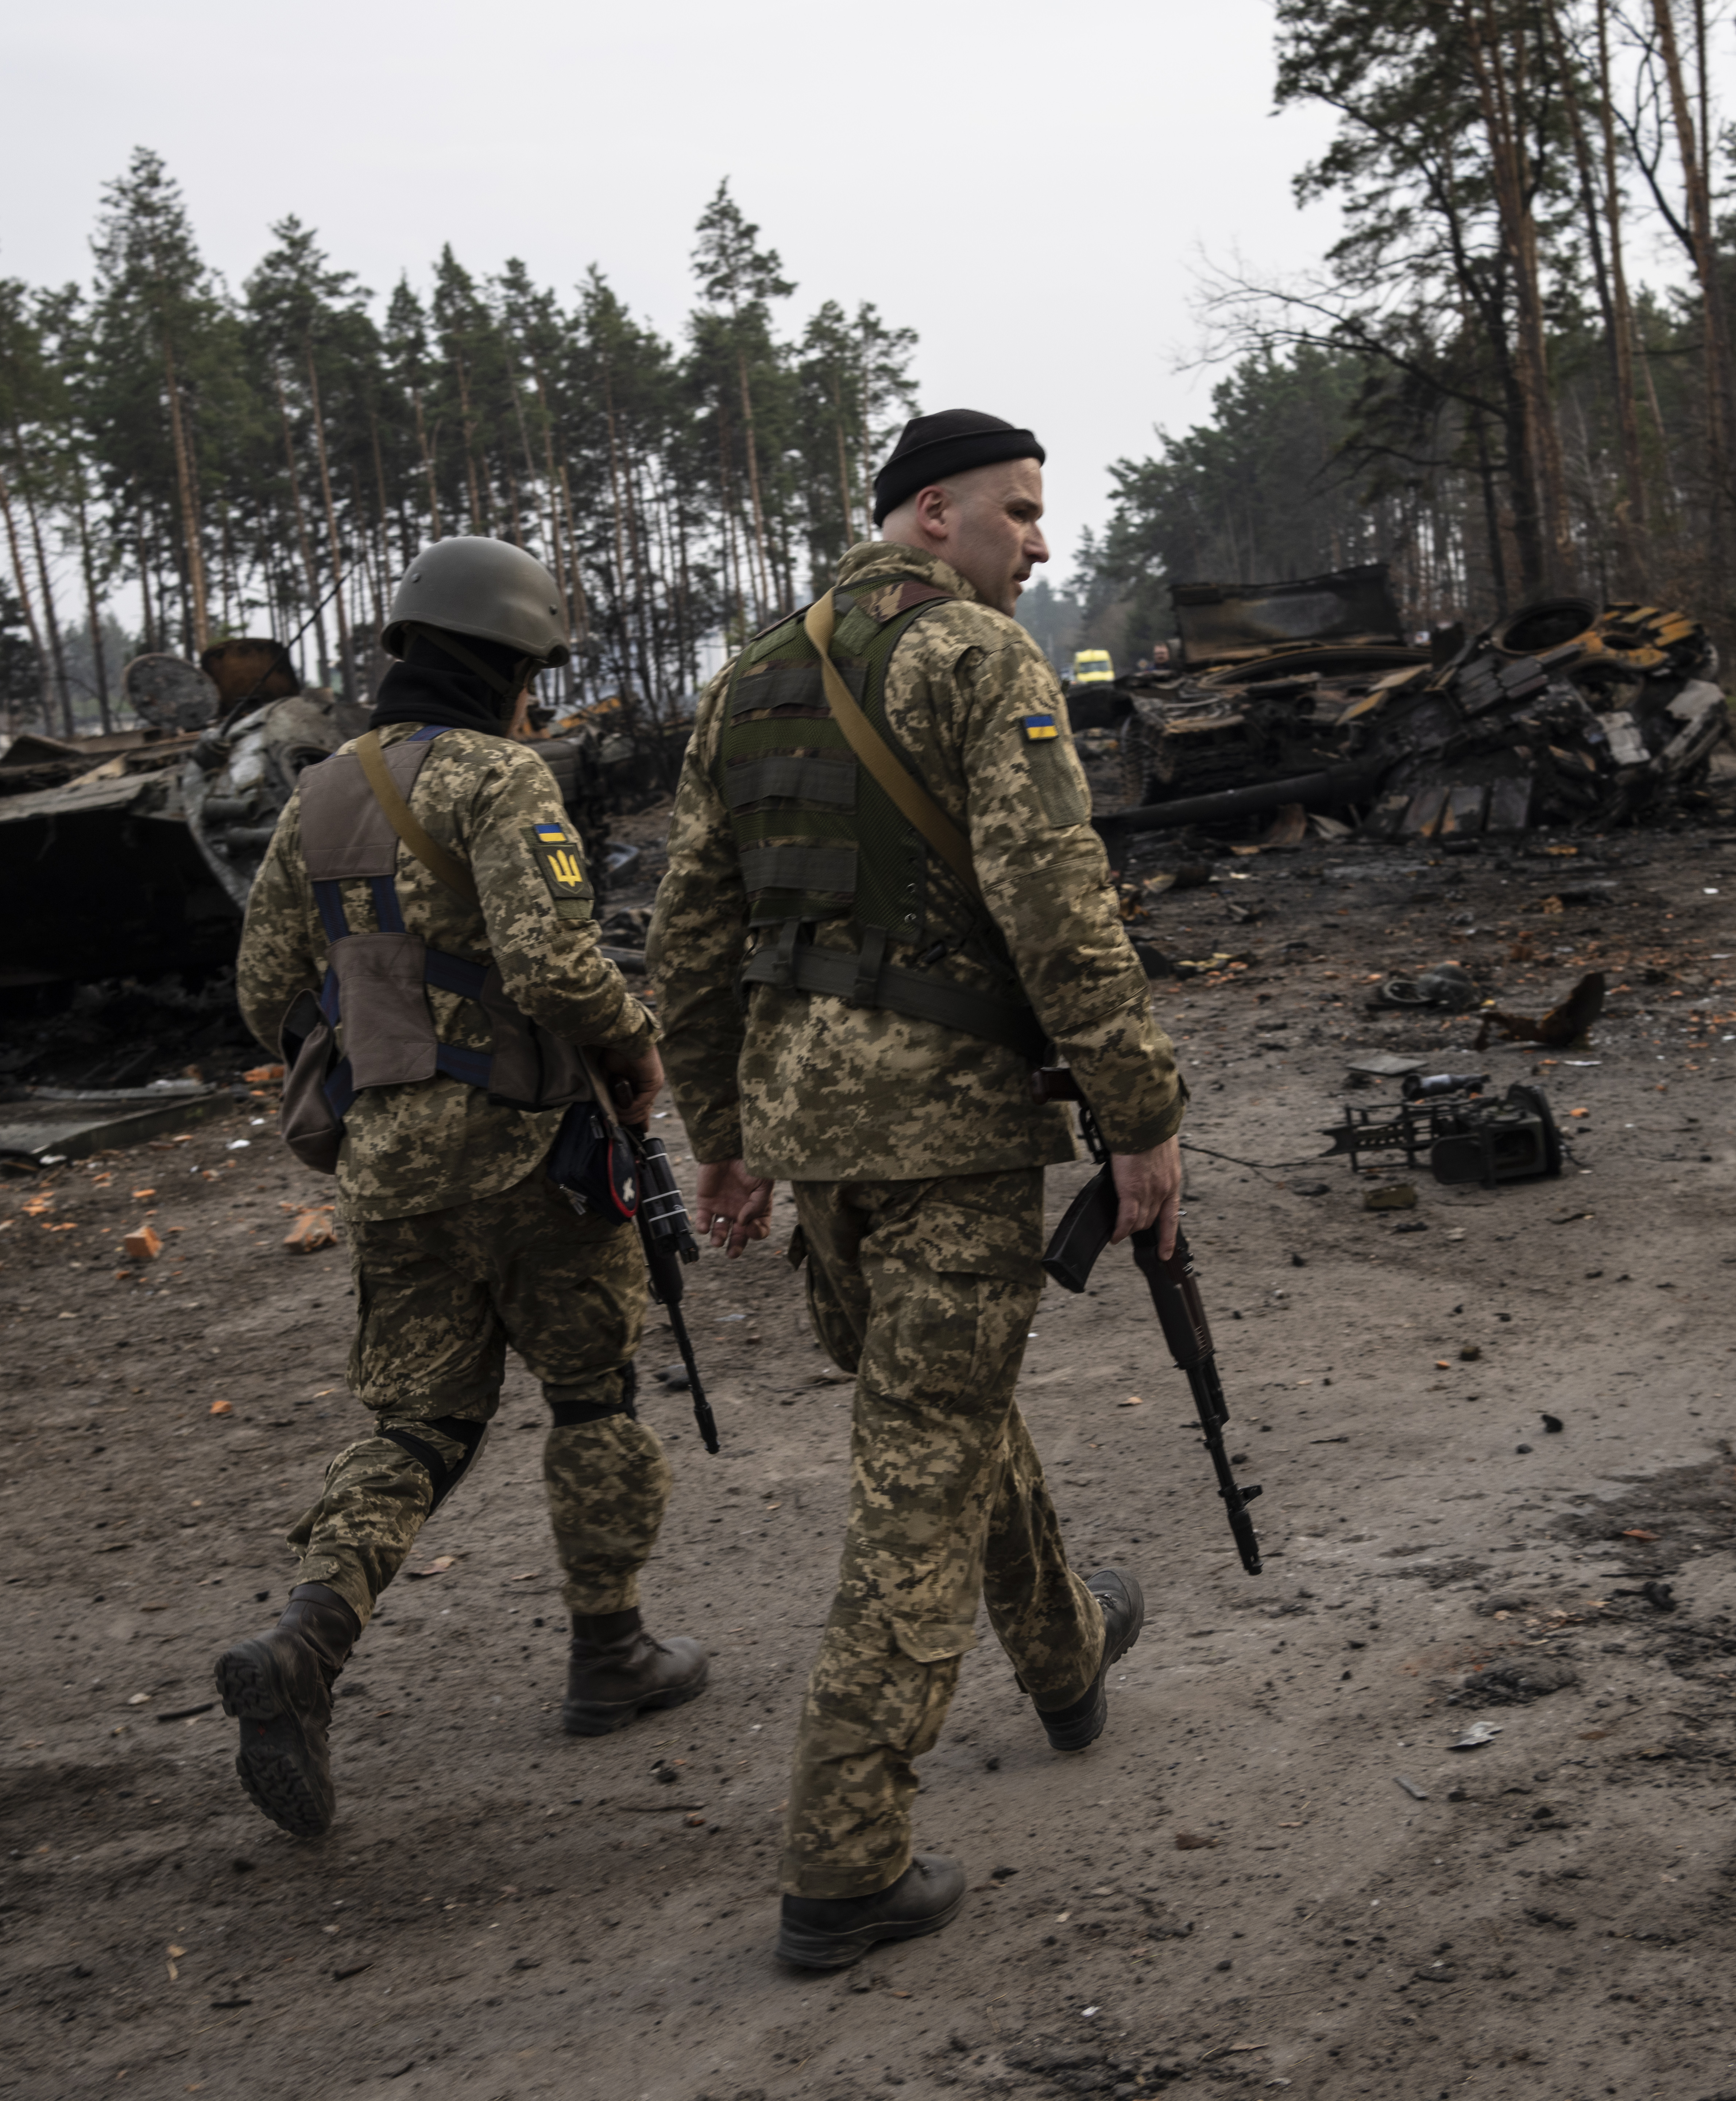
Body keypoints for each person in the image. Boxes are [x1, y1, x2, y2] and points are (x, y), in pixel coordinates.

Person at [647, 410, 1186, 1968]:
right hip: (949, 1139)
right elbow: (1058, 904)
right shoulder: (976, 662)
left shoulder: (749, 676)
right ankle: (844, 1855)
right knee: (920, 1475)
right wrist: (1141, 1112)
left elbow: (691, 926)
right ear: (931, 517)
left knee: (934, 1415)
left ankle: (1067, 1649)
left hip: (823, 1145)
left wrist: (728, 1130)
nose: (1041, 542)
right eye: (1021, 514)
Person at [215, 535, 707, 1842]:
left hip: (384, 1167)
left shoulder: (316, 796)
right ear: (512, 668)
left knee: (419, 1425)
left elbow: (265, 994)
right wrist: (637, 1040)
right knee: (594, 1395)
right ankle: (611, 1655)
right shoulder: (506, 782)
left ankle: (306, 1644)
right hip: (532, 1150)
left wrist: (383, 1043)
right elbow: (553, 965)